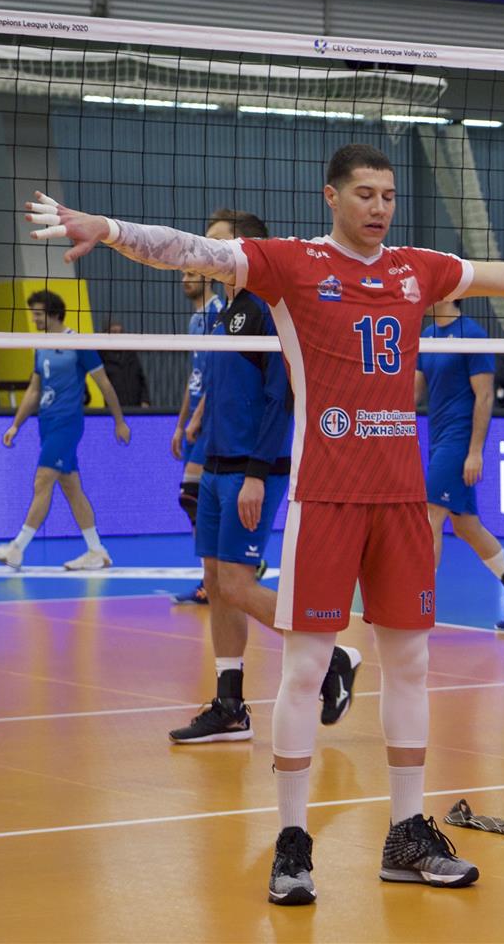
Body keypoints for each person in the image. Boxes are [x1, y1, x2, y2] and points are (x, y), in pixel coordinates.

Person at [25, 143, 504, 905]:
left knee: (409, 667)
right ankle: (292, 843)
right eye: (365, 193)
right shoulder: (291, 263)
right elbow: (189, 250)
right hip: (327, 498)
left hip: (402, 498)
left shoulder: (416, 268)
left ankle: (406, 835)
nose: (379, 207)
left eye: (388, 195)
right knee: (306, 668)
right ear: (332, 196)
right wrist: (108, 228)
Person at [168, 208, 361, 745]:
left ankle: (334, 657)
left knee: (236, 581)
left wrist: (256, 475)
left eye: (217, 243)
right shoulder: (219, 313)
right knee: (215, 581)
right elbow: (221, 387)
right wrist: (197, 427)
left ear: (247, 249)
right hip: (215, 462)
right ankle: (230, 705)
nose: (206, 251)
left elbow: (281, 398)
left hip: (253, 468)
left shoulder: (268, 309)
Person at [416, 298, 504, 630]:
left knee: (431, 514)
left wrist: (475, 451)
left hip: (459, 440)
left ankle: (419, 605)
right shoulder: (427, 335)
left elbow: (485, 397)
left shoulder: (472, 334)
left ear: (448, 293)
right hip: (437, 438)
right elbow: (413, 394)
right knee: (466, 526)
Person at [0, 289, 131, 571]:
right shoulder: (42, 345)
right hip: (47, 424)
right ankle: (96, 551)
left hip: (67, 423)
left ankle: (17, 548)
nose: (34, 319)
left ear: (53, 314)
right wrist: (15, 425)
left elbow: (104, 384)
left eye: (38, 314)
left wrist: (119, 421)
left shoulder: (78, 344)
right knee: (72, 487)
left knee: (42, 481)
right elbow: (34, 390)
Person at [171, 269, 226, 605]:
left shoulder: (218, 312)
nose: (185, 279)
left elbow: (219, 374)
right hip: (195, 421)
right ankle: (218, 574)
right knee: (198, 501)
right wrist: (180, 424)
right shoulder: (195, 319)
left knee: (192, 496)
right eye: (183, 273)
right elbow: (194, 377)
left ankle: (219, 575)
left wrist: (198, 417)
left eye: (192, 273)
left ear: (209, 277)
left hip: (212, 419)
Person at [99, 321, 150, 408]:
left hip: (135, 408)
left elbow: (141, 379)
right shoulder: (100, 356)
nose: (118, 335)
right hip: (110, 409)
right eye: (114, 332)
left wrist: (145, 400)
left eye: (120, 332)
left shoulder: (130, 354)